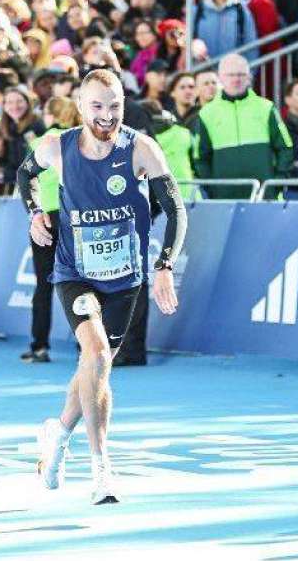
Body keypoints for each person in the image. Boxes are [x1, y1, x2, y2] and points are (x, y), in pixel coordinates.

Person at [18, 68, 187, 504]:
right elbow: (24, 176)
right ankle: (101, 470)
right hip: (74, 273)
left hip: (125, 280)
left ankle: (57, 434)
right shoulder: (57, 145)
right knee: (94, 353)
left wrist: (164, 264)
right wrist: (35, 212)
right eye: (97, 106)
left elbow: (175, 209)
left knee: (96, 370)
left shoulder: (141, 148)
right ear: (80, 107)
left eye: (114, 106)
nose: (107, 115)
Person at [21, 96, 80, 364]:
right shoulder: (78, 140)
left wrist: (34, 211)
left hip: (46, 217)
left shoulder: (39, 142)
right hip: (75, 216)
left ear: (49, 114)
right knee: (83, 282)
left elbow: (26, 176)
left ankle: (39, 346)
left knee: (44, 285)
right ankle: (87, 346)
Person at [193, 54, 293, 200]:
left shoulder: (266, 107)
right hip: (223, 200)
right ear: (220, 77)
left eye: (241, 74)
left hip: (265, 198)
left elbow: (286, 149)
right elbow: (200, 158)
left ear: (249, 77)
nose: (236, 79)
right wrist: (213, 188)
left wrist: (275, 185)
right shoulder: (207, 113)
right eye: (231, 74)